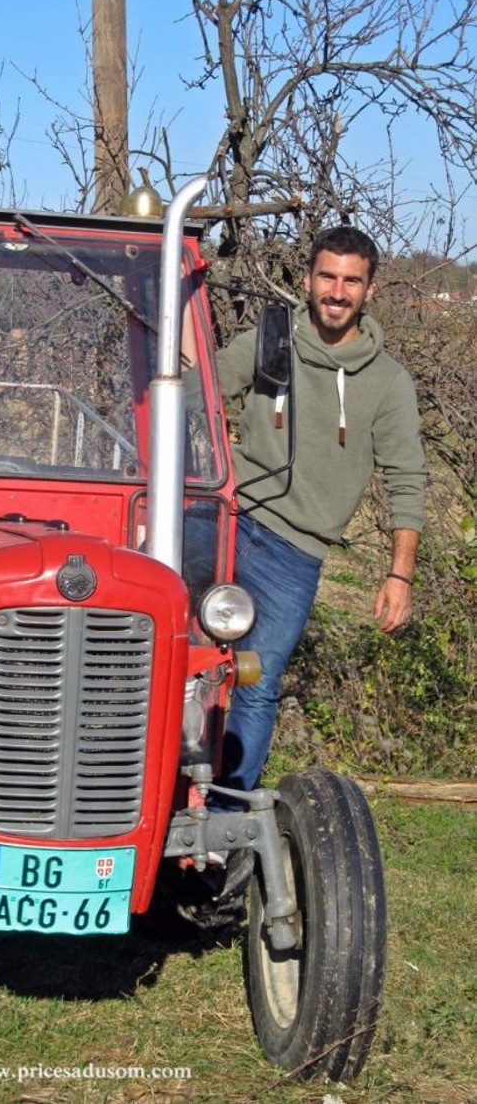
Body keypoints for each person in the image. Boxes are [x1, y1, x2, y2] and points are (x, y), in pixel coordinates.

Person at [185, 225, 427, 797]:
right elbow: (200, 394)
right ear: (308, 279)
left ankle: (224, 819)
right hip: (226, 518)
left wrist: (400, 575)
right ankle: (144, 793)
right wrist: (180, 330)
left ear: (369, 292)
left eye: (351, 281)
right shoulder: (272, 340)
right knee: (167, 649)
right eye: (327, 276)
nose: (337, 291)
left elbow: (407, 477)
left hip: (295, 555)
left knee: (257, 683)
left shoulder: (389, 384)